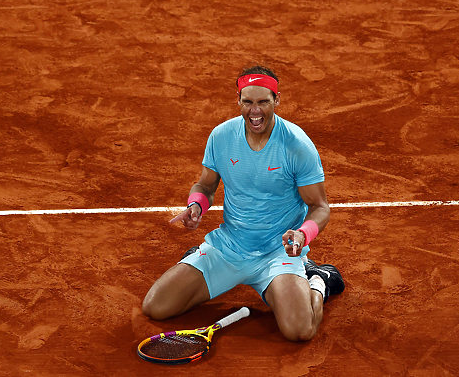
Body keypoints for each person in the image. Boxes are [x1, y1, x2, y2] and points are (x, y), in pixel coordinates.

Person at [141, 65, 345, 341]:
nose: (255, 110)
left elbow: (320, 207)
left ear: (277, 100)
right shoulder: (222, 137)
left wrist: (302, 234)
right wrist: (197, 204)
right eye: (247, 101)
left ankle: (318, 280)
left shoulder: (296, 145)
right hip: (229, 248)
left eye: (263, 101)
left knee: (300, 331)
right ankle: (199, 262)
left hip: (278, 254)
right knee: (155, 307)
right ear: (238, 101)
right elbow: (205, 185)